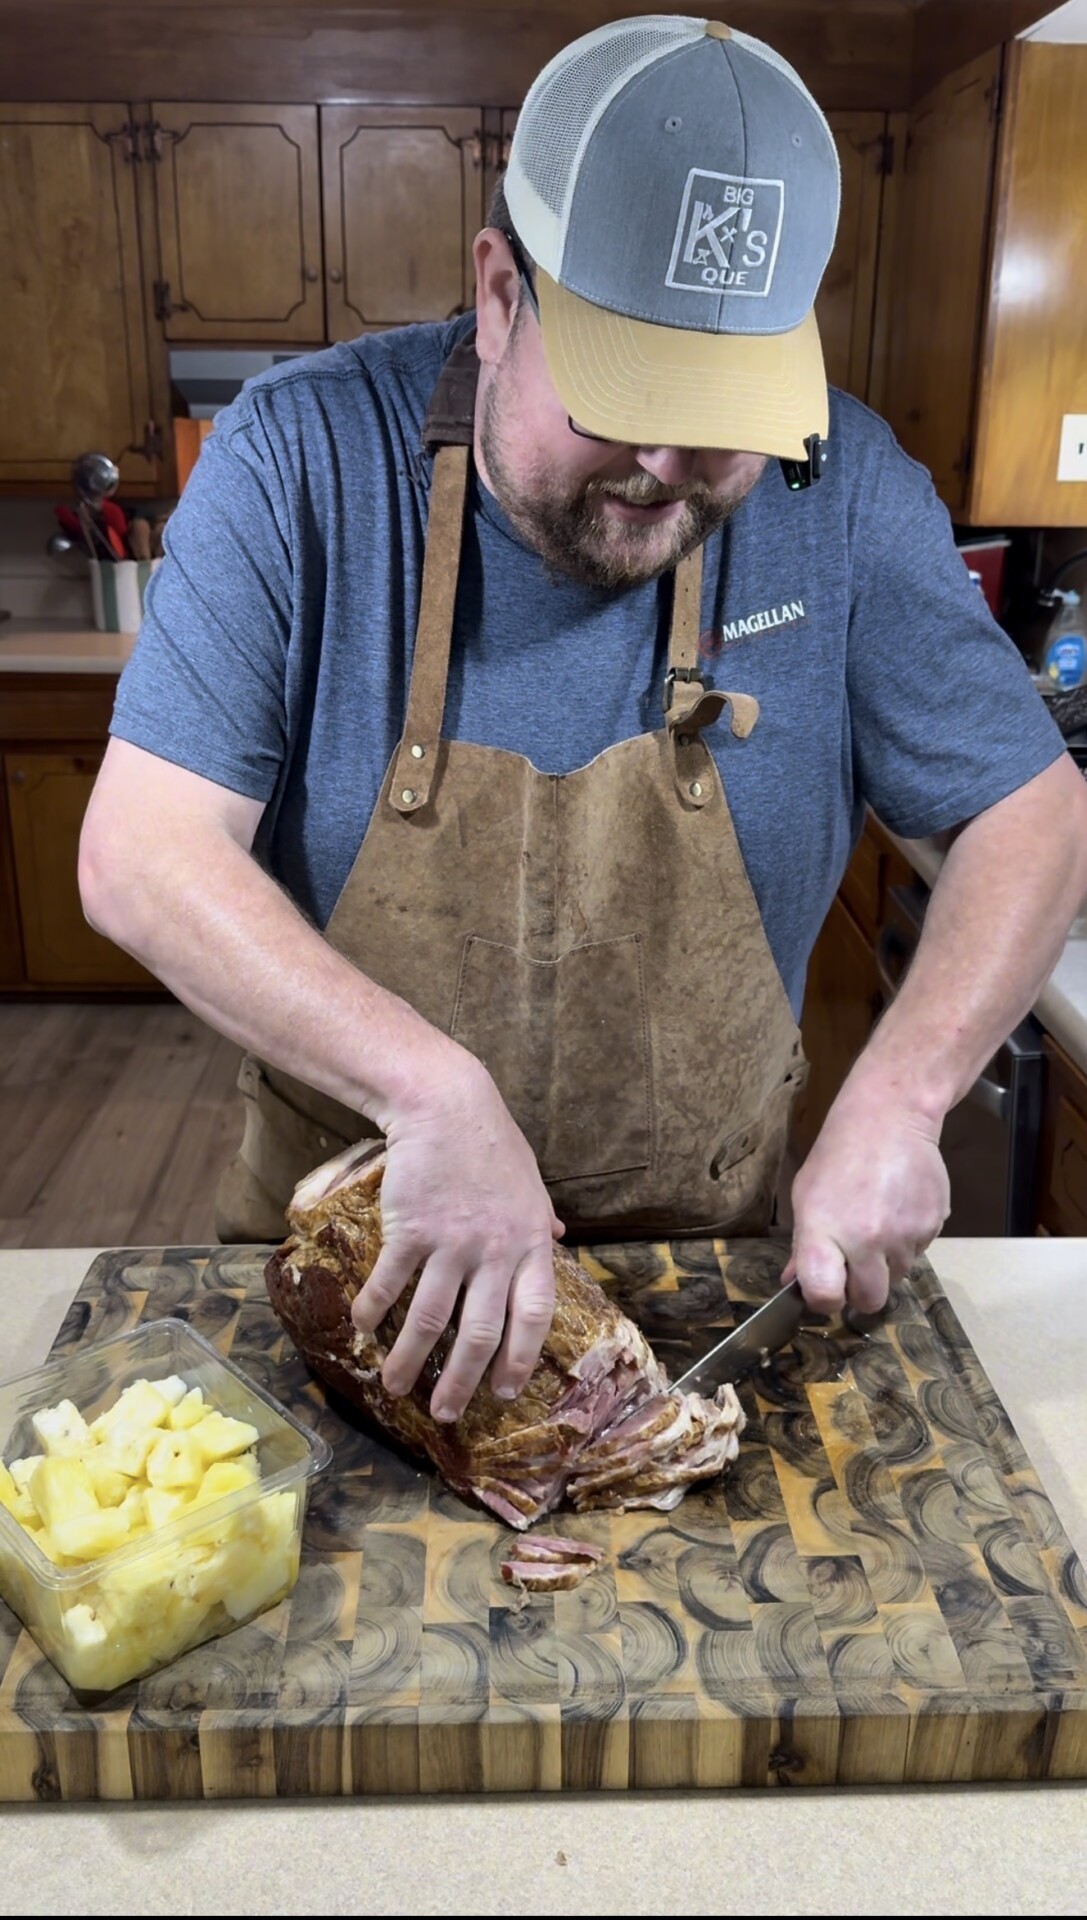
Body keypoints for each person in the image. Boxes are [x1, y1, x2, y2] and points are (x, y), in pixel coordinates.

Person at [79, 17, 1087, 1426]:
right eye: (626, 399)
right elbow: (142, 852)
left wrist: (912, 1094)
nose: (671, 469)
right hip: (360, 1267)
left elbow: (1031, 808)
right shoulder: (302, 455)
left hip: (715, 1283)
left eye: (721, 411)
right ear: (501, 295)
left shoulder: (844, 489)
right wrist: (429, 1091)